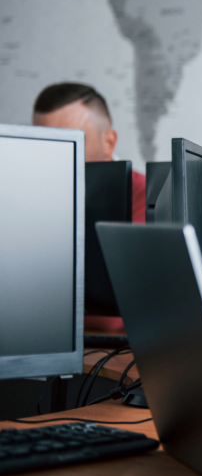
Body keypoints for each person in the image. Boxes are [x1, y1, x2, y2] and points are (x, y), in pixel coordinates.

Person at [33, 82, 145, 332]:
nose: (50, 161)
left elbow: (111, 316)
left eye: (67, 143)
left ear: (109, 142)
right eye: (40, 145)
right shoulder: (32, 203)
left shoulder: (148, 199)